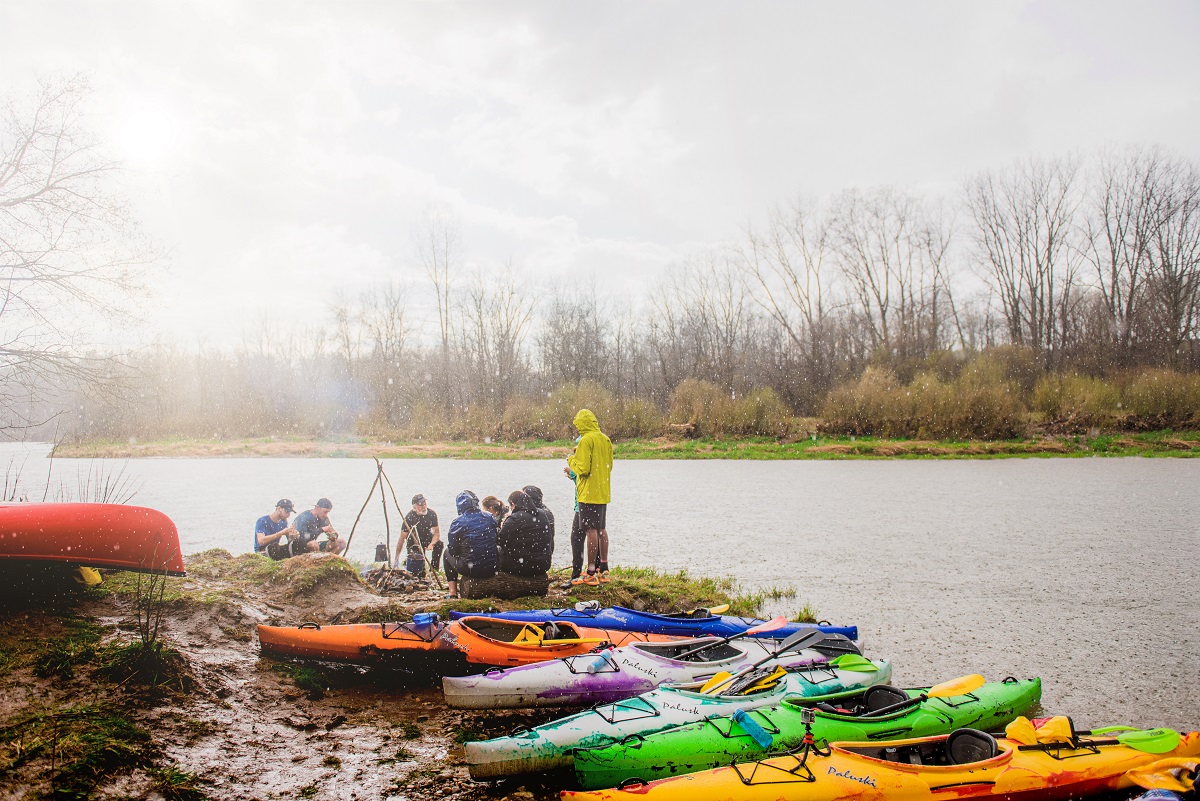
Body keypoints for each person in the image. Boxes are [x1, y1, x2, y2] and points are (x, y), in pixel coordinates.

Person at [567, 408, 613, 586]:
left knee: (591, 531)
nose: (577, 429)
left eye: (578, 425)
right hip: (603, 491)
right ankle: (604, 569)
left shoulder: (586, 440)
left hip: (588, 493)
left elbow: (583, 468)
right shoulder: (605, 439)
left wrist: (571, 459)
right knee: (601, 530)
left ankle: (591, 571)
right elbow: (609, 467)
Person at [443, 490, 498, 599]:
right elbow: (495, 538)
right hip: (492, 567)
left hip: (470, 569)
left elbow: (453, 550)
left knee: (446, 553)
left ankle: (452, 593)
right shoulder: (489, 518)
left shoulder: (457, 523)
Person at [497, 490, 554, 577]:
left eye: (510, 506)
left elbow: (499, 540)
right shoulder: (542, 513)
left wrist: (503, 524)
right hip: (543, 564)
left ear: (513, 504)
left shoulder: (514, 519)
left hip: (522, 567)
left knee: (496, 550)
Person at [395, 493, 442, 575]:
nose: (424, 507)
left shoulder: (431, 514)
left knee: (439, 544)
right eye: (420, 505)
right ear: (414, 507)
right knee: (419, 572)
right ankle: (408, 564)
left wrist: (432, 544)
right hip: (414, 541)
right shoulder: (409, 517)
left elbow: (436, 533)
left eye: (424, 504)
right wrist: (396, 558)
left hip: (427, 537)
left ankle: (434, 570)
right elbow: (402, 538)